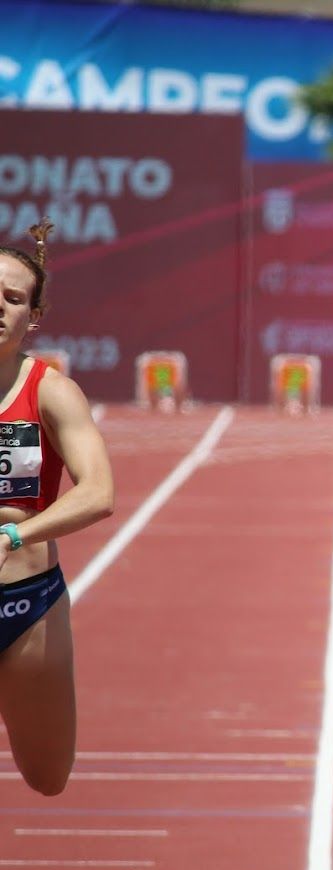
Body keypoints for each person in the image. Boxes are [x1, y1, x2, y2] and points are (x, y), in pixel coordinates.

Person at [0, 221, 115, 795]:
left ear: (33, 316)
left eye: (13, 298)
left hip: (26, 603)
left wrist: (17, 536)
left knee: (49, 777)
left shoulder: (49, 390)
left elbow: (98, 492)